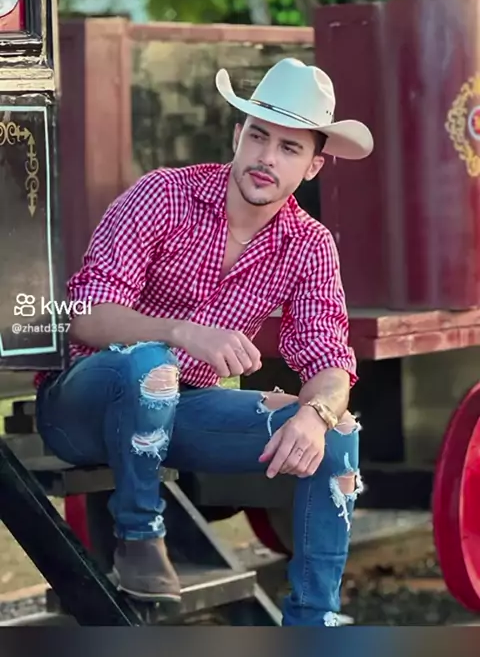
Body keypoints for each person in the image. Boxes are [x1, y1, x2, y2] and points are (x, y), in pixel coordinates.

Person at [35, 57, 373, 626]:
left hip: (183, 413)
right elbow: (84, 314)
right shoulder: (164, 194)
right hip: (86, 402)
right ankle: (139, 536)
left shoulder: (309, 245)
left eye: (289, 148)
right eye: (259, 136)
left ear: (314, 166)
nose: (267, 158)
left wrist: (315, 415)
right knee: (150, 364)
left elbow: (331, 360)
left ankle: (313, 625)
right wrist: (179, 331)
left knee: (337, 435)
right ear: (238, 135)